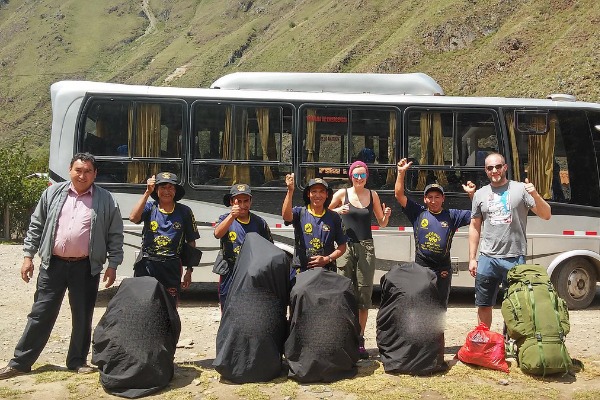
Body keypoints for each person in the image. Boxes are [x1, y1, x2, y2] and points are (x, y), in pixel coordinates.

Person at [0, 152, 124, 379]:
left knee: (83, 316)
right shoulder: (52, 193)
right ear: (70, 170)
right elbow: (36, 226)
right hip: (52, 265)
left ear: (95, 174)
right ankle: (20, 362)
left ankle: (76, 361)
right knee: (40, 313)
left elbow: (115, 234)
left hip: (86, 267)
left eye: (88, 171)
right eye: (78, 170)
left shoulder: (106, 199)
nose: (82, 175)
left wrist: (113, 263)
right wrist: (28, 256)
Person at [469, 153, 551, 327]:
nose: (494, 171)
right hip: (487, 258)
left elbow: (546, 215)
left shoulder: (520, 189)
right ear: (486, 170)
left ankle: (511, 342)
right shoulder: (480, 194)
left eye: (498, 166)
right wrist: (472, 258)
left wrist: (535, 194)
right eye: (490, 168)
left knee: (516, 304)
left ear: (505, 167)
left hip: (514, 258)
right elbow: (475, 227)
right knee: (483, 304)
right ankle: (485, 343)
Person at [328, 161, 391, 359]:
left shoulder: (372, 195)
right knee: (344, 290)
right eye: (356, 175)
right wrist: (338, 211)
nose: (359, 179)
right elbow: (324, 214)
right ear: (350, 176)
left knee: (364, 294)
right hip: (345, 247)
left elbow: (381, 223)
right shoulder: (341, 194)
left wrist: (386, 216)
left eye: (362, 175)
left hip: (366, 247)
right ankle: (344, 336)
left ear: (367, 177)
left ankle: (360, 338)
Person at [395, 158, 476, 309]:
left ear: (443, 198)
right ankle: (421, 332)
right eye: (430, 197)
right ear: (425, 199)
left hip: (443, 267)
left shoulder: (452, 215)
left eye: (437, 197)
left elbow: (477, 216)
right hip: (422, 265)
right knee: (420, 303)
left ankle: (438, 333)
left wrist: (472, 195)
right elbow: (399, 195)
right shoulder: (418, 213)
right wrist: (401, 173)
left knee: (440, 306)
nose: (434, 200)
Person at [129, 172, 200, 303]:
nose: (166, 191)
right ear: (156, 190)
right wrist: (146, 193)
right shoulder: (150, 207)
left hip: (171, 266)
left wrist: (189, 270)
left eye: (170, 187)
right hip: (147, 263)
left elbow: (191, 241)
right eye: (162, 187)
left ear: (175, 190)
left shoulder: (185, 211)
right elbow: (133, 218)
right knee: (144, 304)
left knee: (169, 305)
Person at [214, 183, 273, 308]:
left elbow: (269, 248)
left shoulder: (259, 222)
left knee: (248, 307)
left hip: (250, 272)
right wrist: (231, 216)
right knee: (228, 306)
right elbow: (217, 234)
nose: (242, 205)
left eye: (246, 201)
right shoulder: (225, 218)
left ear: (251, 201)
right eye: (238, 201)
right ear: (231, 202)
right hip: (230, 269)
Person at [282, 174, 347, 273]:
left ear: (327, 195)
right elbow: (286, 217)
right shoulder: (300, 213)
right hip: (302, 271)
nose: (318, 195)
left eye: (322, 191)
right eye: (314, 191)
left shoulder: (334, 217)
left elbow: (342, 246)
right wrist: (290, 191)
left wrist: (327, 259)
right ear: (308, 194)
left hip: (326, 271)